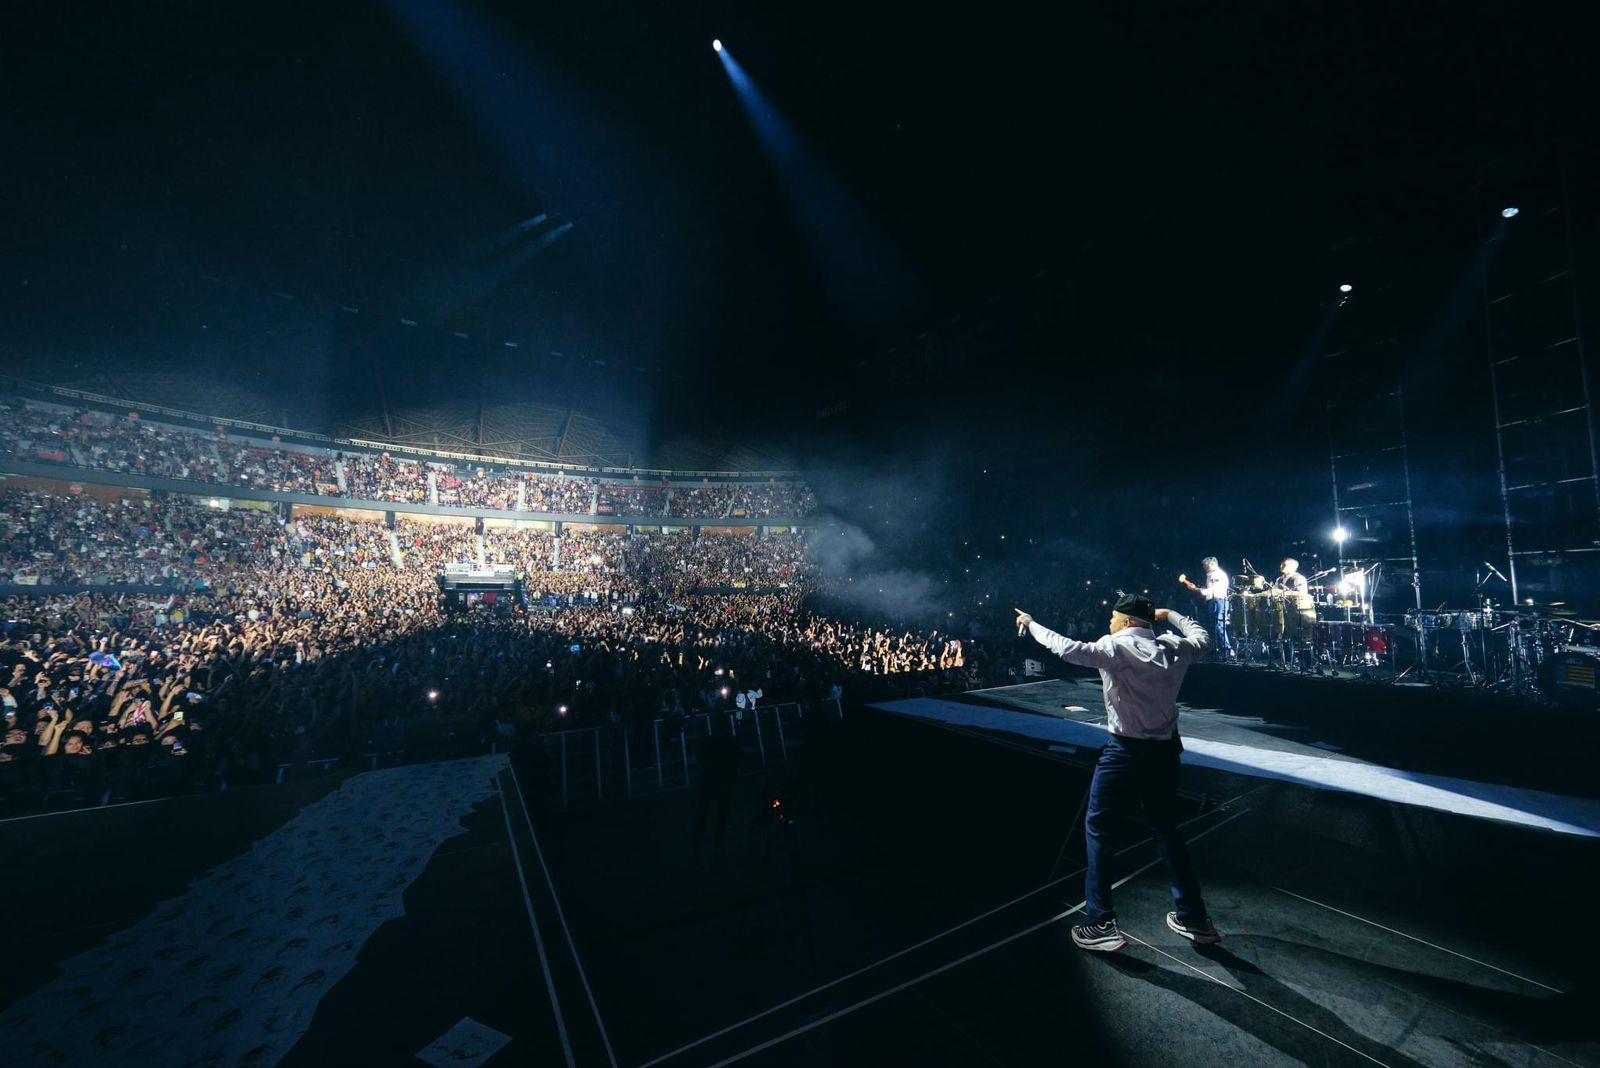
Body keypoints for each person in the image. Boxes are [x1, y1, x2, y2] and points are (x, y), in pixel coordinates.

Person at [1015, 593, 1220, 952]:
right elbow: (1203, 636)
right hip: (1165, 752)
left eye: (1112, 617)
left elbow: (1065, 647)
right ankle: (1194, 918)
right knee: (1166, 831)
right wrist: (1171, 614)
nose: (1108, 623)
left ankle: (1100, 922)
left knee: (1099, 829)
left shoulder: (1115, 647)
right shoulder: (1175, 647)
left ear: (1126, 621)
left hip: (1125, 751)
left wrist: (1031, 623)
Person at [1180, 557, 1232, 658]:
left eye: (1206, 565)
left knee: (1218, 625)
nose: (1204, 567)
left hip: (1218, 600)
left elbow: (1213, 590)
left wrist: (1197, 589)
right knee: (1214, 626)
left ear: (1212, 564)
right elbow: (1209, 590)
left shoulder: (1216, 574)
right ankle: (1220, 649)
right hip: (1215, 601)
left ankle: (1226, 649)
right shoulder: (1212, 574)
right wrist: (1196, 589)